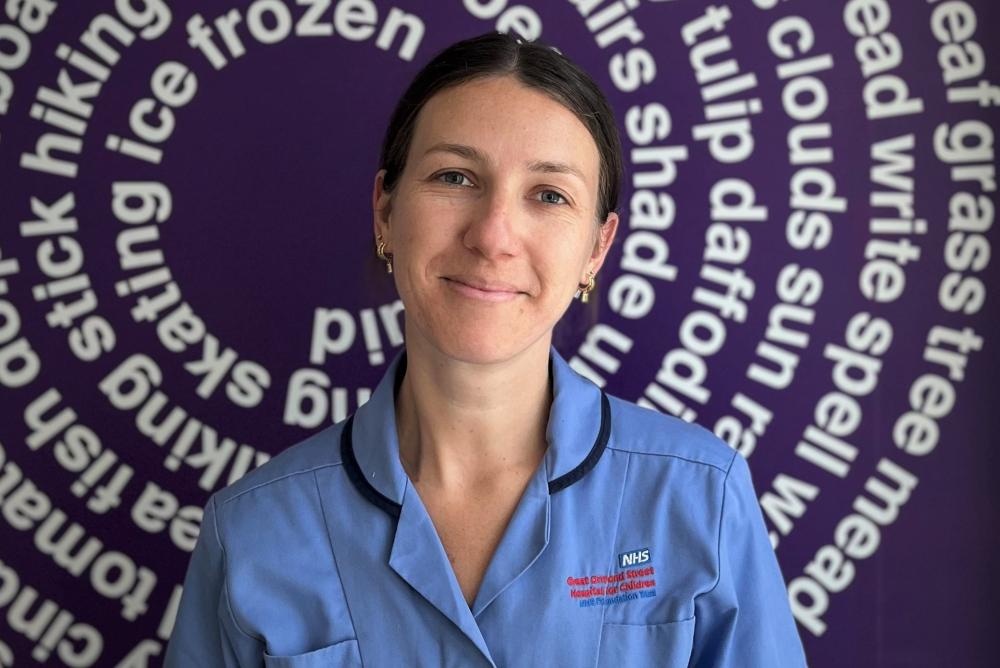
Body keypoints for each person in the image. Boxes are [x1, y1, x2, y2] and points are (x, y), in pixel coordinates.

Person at [165, 32, 808, 667]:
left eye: (549, 194)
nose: (494, 235)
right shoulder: (251, 532)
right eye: (455, 176)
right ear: (385, 212)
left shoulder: (701, 496)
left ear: (596, 249)